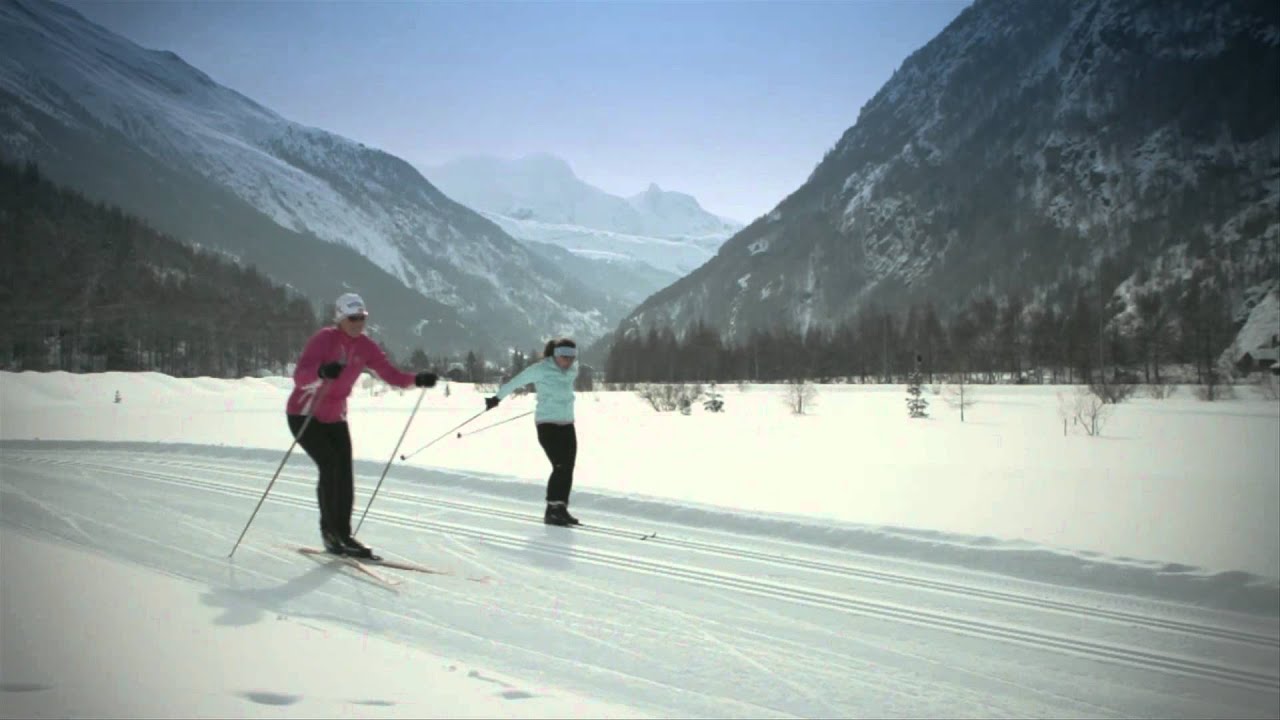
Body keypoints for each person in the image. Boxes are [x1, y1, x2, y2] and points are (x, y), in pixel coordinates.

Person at [286, 292, 437, 558]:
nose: (358, 323)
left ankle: (344, 534)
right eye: (353, 318)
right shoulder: (324, 339)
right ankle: (330, 533)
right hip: (304, 414)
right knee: (330, 466)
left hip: (335, 416)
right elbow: (300, 377)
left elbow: (391, 374)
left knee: (344, 472)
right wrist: (321, 373)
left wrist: (417, 379)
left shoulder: (365, 346)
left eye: (362, 318)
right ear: (340, 318)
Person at [485, 338, 581, 526]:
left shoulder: (572, 370)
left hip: (567, 423)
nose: (568, 360)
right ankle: (552, 510)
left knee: (568, 467)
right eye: (564, 356)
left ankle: (561, 508)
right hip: (547, 424)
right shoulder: (541, 369)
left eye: (572, 356)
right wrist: (497, 398)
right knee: (560, 465)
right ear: (556, 354)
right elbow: (516, 381)